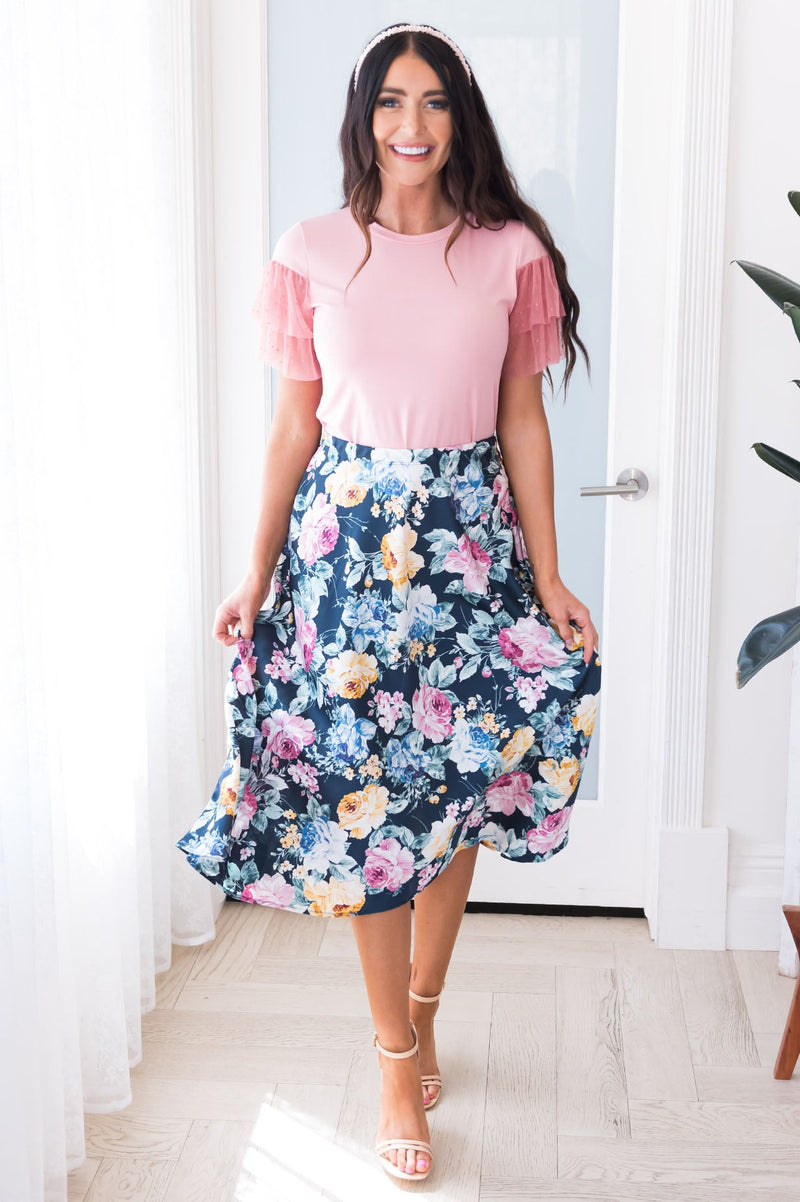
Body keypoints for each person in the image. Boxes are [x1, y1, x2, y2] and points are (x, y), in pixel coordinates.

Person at [176, 21, 601, 1184]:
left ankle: (423, 1007)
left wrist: (548, 573)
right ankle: (392, 1058)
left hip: (471, 554)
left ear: (460, 119)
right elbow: (291, 426)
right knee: (369, 812)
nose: (410, 125)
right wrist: (253, 570)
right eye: (389, 102)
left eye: (433, 102)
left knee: (453, 801)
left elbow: (523, 420)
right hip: (346, 559)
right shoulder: (311, 249)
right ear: (362, 118)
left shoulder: (508, 250)